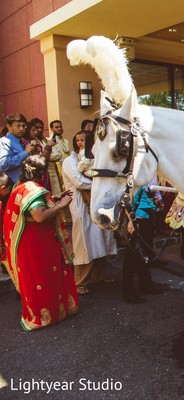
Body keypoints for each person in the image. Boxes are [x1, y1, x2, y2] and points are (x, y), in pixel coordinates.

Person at [4, 155, 78, 331]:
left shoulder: (20, 185)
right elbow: (39, 215)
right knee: (44, 276)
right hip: (38, 242)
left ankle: (40, 313)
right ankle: (47, 317)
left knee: (34, 277)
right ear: (43, 173)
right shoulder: (34, 189)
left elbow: (30, 209)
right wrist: (62, 205)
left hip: (27, 242)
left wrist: (55, 197)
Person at [62, 131, 117, 295]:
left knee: (101, 239)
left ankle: (98, 276)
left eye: (84, 141)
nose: (81, 143)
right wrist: (100, 183)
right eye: (78, 140)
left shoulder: (93, 158)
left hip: (96, 202)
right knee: (85, 243)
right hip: (80, 205)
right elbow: (79, 182)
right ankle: (80, 281)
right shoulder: (69, 161)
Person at [122, 181, 164, 304]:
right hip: (137, 219)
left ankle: (145, 284)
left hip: (147, 217)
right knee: (131, 255)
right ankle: (127, 292)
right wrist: (131, 220)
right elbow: (125, 200)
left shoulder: (146, 176)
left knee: (143, 253)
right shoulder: (132, 176)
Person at [0, 113, 34, 183]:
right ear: (9, 126)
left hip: (24, 183)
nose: (21, 129)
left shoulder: (22, 141)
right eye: (18, 126)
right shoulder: (4, 142)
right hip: (12, 185)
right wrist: (25, 153)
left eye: (24, 126)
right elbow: (4, 164)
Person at [47, 120, 70, 196]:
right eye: (56, 127)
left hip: (67, 168)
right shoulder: (50, 141)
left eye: (60, 126)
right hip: (58, 170)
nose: (59, 128)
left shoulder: (65, 141)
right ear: (51, 129)